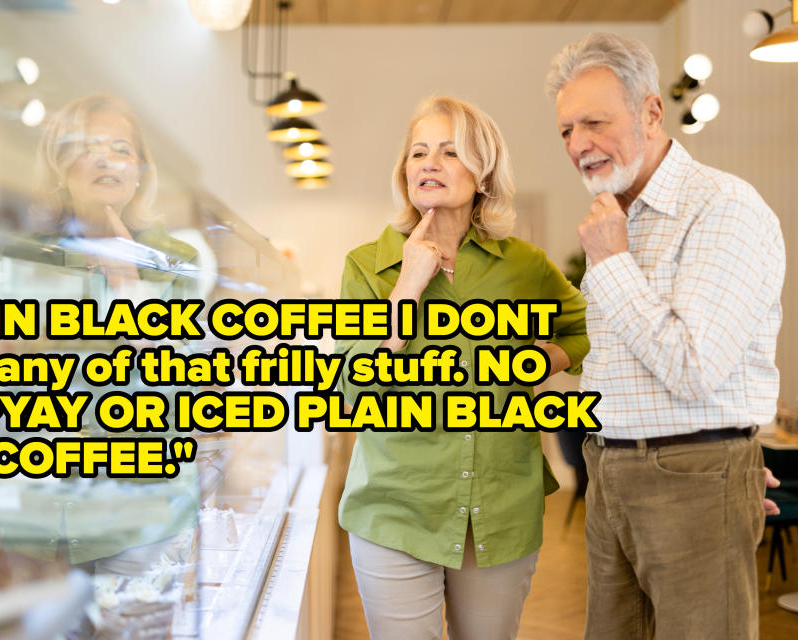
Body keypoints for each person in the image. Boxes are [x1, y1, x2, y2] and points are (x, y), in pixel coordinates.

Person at [546, 33, 786, 639]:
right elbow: (624, 364)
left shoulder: (724, 207)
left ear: (652, 112)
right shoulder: (613, 219)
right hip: (612, 474)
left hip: (691, 477)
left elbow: (694, 365)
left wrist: (722, 469)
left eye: (595, 123)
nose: (578, 145)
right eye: (567, 130)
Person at [336, 96, 589, 640]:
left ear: (483, 174)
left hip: (501, 510)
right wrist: (407, 286)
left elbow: (586, 328)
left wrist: (545, 358)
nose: (429, 163)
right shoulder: (366, 266)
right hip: (395, 509)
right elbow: (351, 392)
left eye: (450, 152)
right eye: (418, 153)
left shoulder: (526, 266)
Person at [33, 94, 198, 297]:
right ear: (61, 169)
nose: (107, 161)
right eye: (89, 148)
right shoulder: (30, 254)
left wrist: (131, 290)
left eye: (121, 150)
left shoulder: (179, 260)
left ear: (139, 172)